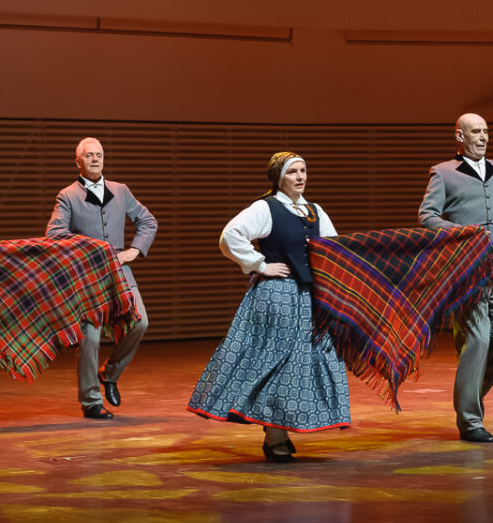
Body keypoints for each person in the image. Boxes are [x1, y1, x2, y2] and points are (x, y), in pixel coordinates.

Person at [189, 151, 349, 461]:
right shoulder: (266, 208)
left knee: (303, 363)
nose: (300, 177)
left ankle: (279, 429)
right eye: (293, 172)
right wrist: (261, 265)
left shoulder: (314, 211)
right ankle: (275, 434)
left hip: (310, 297)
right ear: (278, 177)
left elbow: (333, 249)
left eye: (303, 170)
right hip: (277, 294)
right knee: (278, 360)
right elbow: (230, 236)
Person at [419, 112, 493, 443]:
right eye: (475, 132)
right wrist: (464, 234)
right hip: (466, 269)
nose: (483, 137)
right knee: (478, 340)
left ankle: (469, 395)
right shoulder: (443, 172)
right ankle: (470, 420)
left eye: (486, 131)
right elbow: (427, 216)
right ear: (460, 136)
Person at [47, 137, 153, 419]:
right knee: (89, 338)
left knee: (140, 322)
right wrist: (88, 249)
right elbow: (54, 234)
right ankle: (91, 401)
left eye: (99, 155)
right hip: (86, 275)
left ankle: (110, 374)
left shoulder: (120, 190)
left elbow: (147, 221)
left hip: (119, 270)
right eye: (89, 155)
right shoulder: (68, 195)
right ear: (78, 162)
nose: (95, 159)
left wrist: (134, 250)